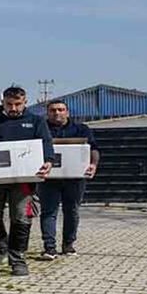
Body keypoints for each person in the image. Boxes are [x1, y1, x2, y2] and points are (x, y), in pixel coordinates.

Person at [0, 86, 54, 277]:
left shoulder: (36, 121)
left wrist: (48, 161)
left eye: (17, 104)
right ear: (2, 102)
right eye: (9, 104)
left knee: (21, 217)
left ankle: (18, 259)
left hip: (24, 179)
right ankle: (2, 245)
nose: (13, 108)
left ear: (25, 102)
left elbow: (46, 143)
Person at [37, 99, 99, 260]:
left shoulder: (81, 129)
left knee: (72, 211)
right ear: (47, 113)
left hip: (75, 178)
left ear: (67, 112)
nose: (57, 113)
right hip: (48, 178)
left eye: (60, 109)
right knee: (48, 211)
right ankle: (49, 248)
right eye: (53, 110)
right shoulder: (40, 128)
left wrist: (93, 164)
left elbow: (93, 148)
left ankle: (68, 245)